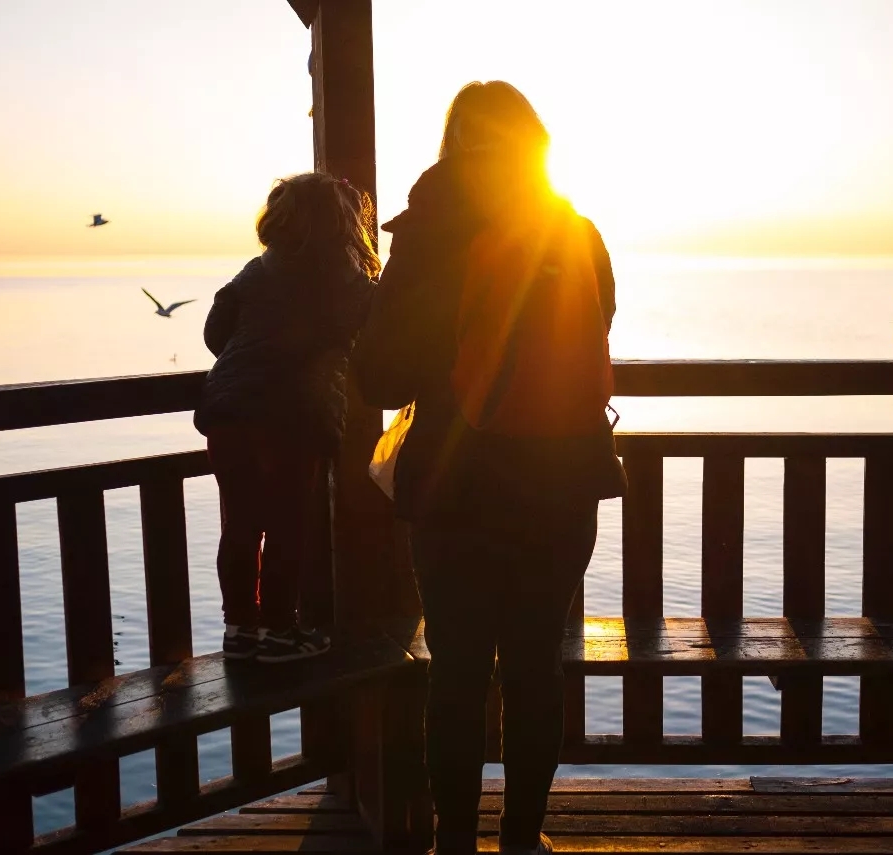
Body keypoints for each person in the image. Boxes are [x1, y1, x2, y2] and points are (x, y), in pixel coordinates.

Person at [352, 81, 626, 855]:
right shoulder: (574, 228)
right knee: (537, 666)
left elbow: (380, 377)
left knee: (459, 672)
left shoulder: (432, 227)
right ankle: (523, 839)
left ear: (454, 145)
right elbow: (598, 325)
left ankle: (454, 843)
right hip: (565, 479)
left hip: (456, 488)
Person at [194, 173, 378, 663]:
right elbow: (374, 332)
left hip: (228, 412)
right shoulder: (345, 277)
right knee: (286, 525)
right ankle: (278, 629)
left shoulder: (258, 270)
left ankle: (239, 630)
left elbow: (216, 333)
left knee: (241, 523)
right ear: (343, 223)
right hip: (294, 420)